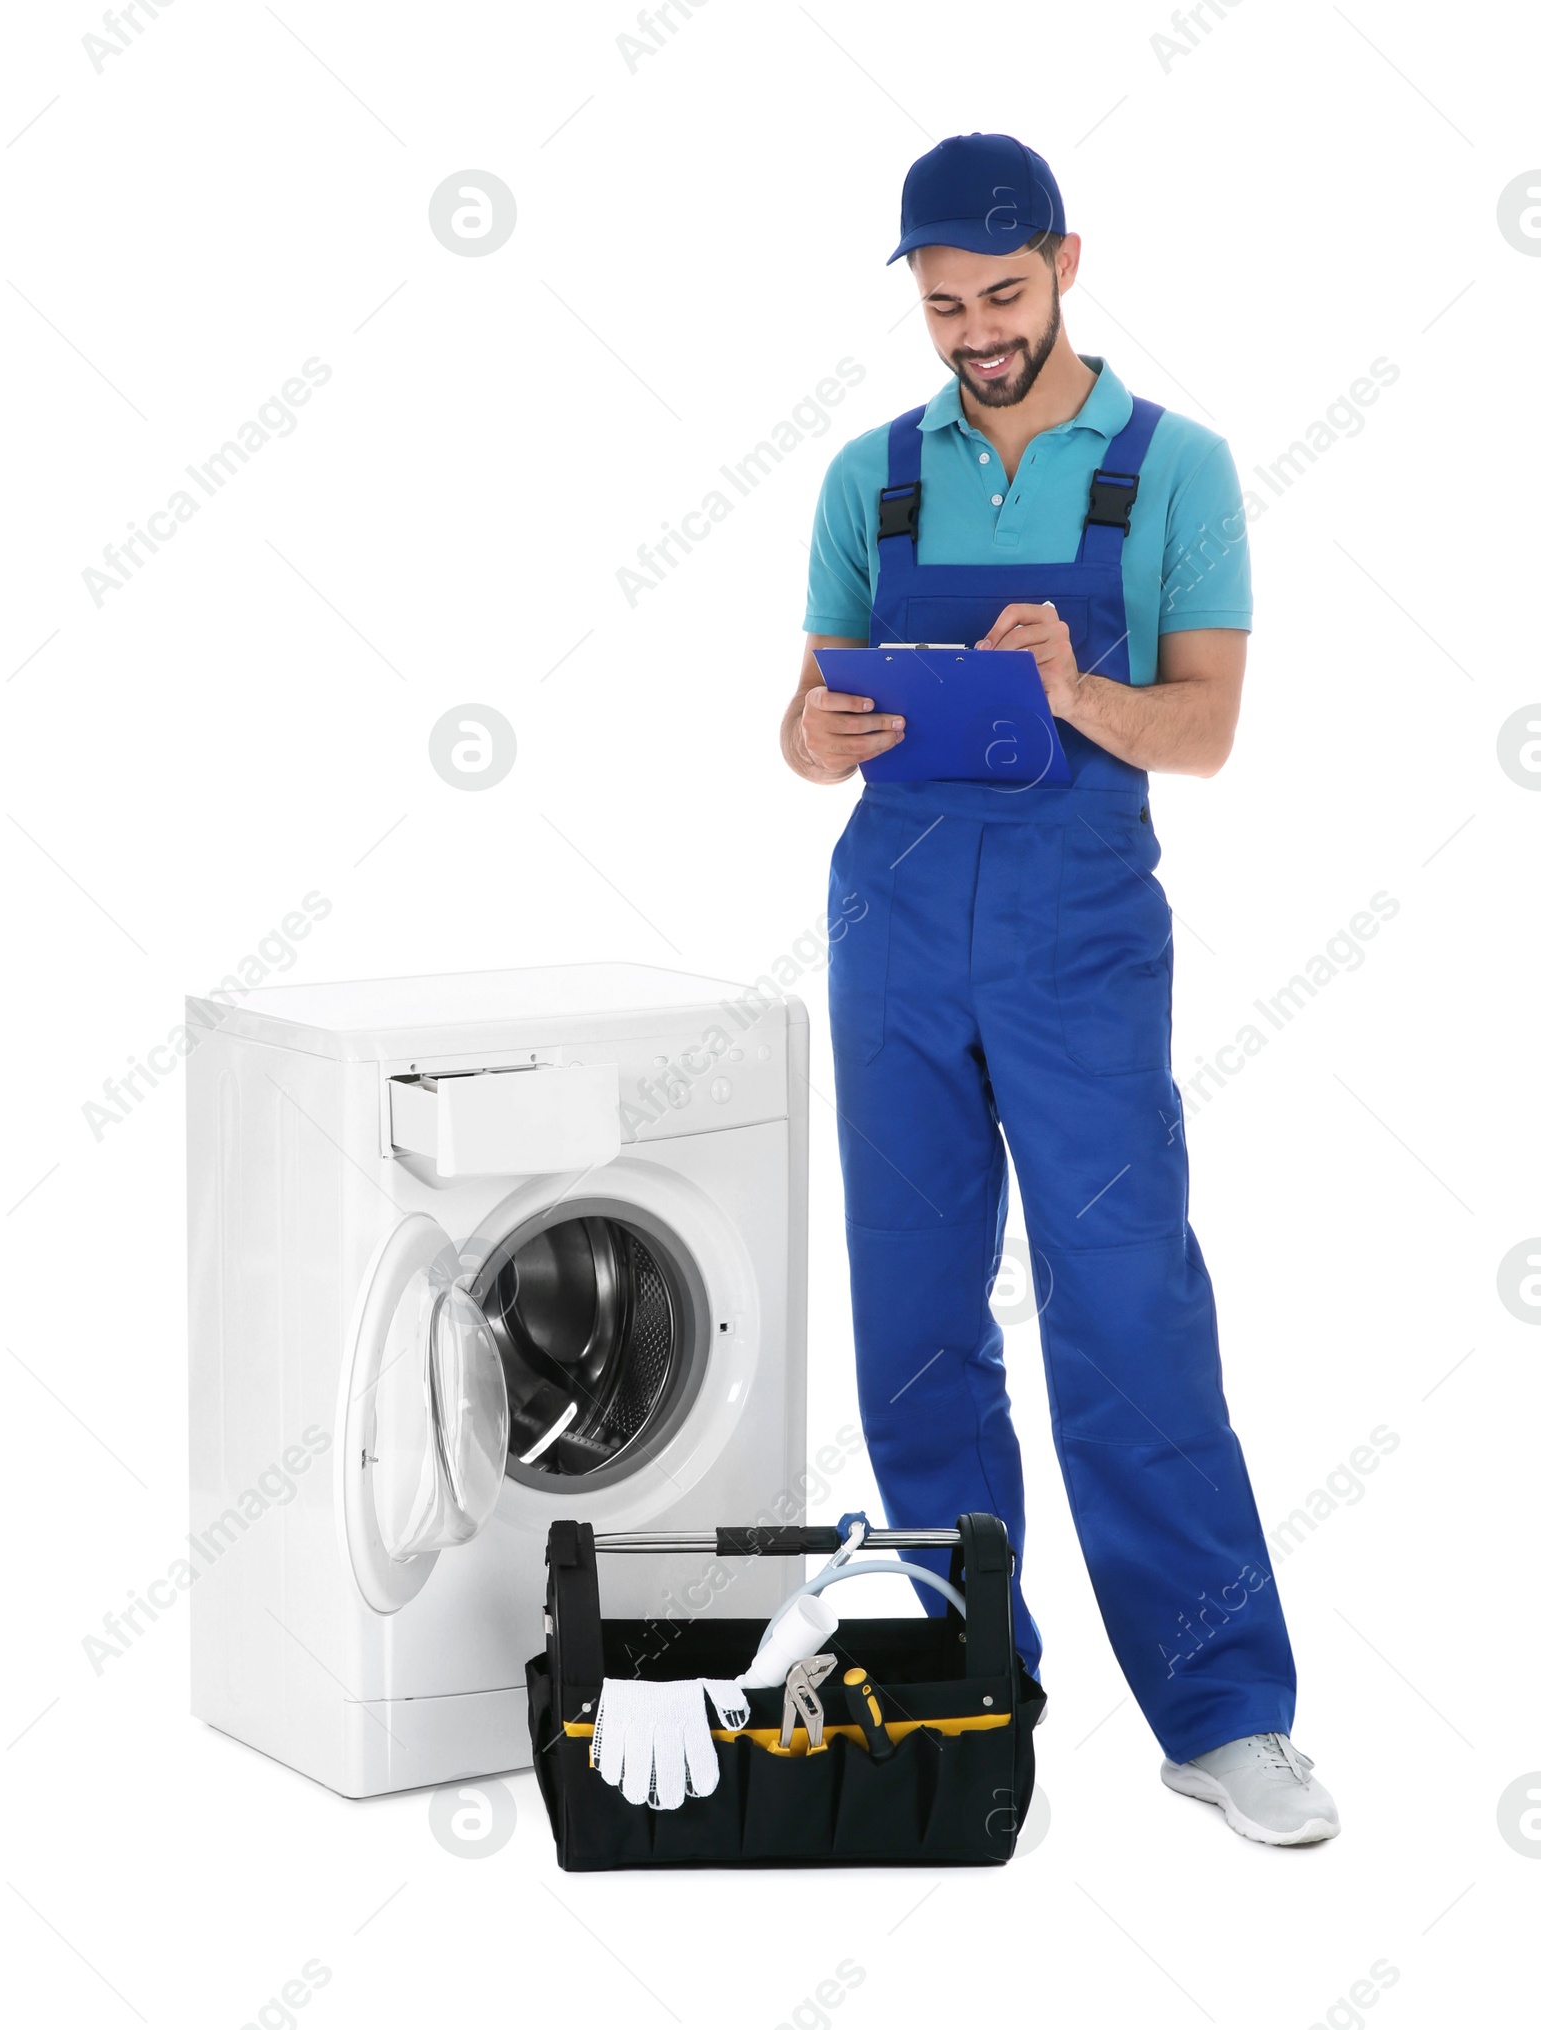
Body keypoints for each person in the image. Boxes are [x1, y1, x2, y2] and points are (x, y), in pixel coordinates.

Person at [780, 132, 1339, 1846]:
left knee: (1126, 1307)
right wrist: (817, 734)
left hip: (1077, 931)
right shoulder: (868, 479)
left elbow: (1211, 730)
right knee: (915, 1317)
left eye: (1003, 296)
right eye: (944, 305)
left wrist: (1076, 686)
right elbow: (801, 729)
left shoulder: (1177, 470)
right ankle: (971, 1672)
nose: (974, 333)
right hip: (888, 916)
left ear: (1069, 265)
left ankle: (1225, 1709)